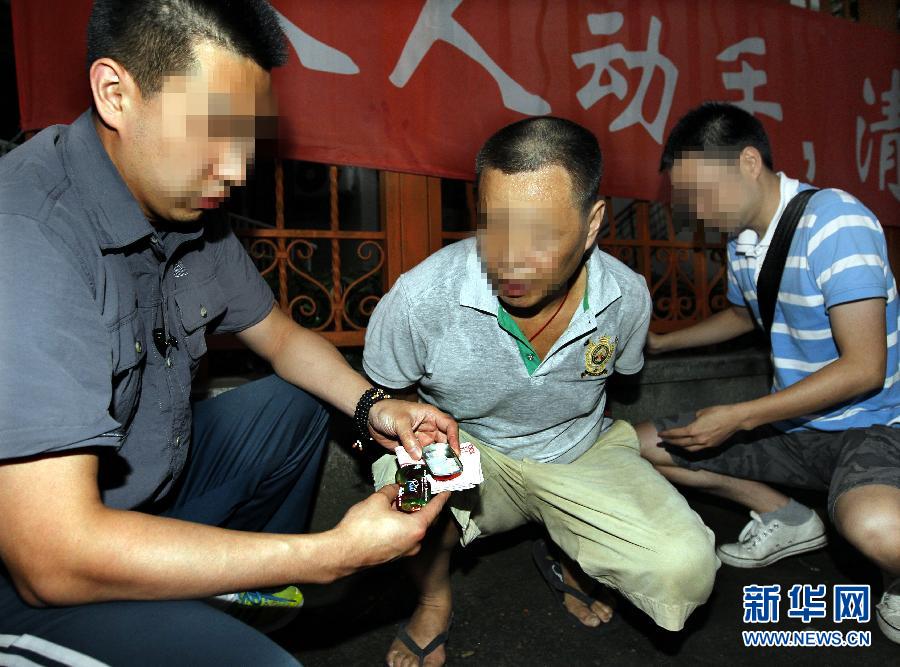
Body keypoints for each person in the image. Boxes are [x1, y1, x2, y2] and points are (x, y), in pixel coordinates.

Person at [0, 1, 457, 664]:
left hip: (147, 489)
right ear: (115, 94)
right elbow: (51, 558)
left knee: (297, 401)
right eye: (216, 131)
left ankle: (242, 606)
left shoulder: (183, 209)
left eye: (250, 137)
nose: (239, 170)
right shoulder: (28, 237)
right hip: (34, 569)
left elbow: (279, 338)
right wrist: (329, 554)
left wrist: (375, 405)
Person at [363, 116, 719, 667]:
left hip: (579, 451)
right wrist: (423, 444)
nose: (511, 257)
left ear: (593, 221)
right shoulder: (420, 298)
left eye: (542, 231)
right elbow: (382, 399)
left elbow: (621, 377)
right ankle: (434, 599)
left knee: (685, 567)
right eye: (496, 225)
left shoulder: (626, 298)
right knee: (401, 497)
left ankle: (570, 550)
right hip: (471, 448)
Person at [636, 101, 900, 644]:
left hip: (875, 426)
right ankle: (786, 517)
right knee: (641, 443)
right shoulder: (743, 241)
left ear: (749, 163)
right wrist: (664, 342)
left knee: (875, 528)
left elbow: (865, 368)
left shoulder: (836, 222)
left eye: (702, 193)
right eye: (686, 198)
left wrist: (740, 415)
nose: (696, 210)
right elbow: (742, 314)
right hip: (797, 424)